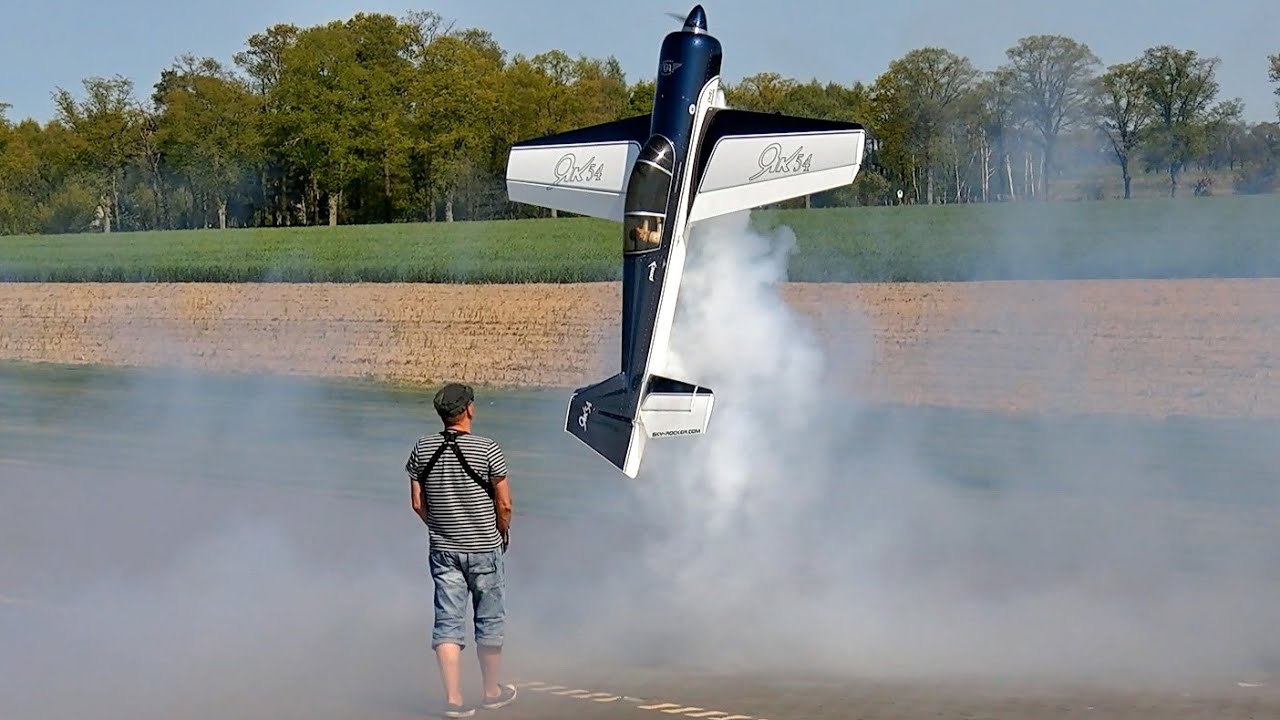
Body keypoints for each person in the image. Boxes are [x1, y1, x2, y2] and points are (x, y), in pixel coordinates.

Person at [405, 382, 516, 718]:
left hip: (443, 551)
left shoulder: (423, 448)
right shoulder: (488, 449)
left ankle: (454, 700)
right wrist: (502, 530)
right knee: (489, 619)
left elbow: (417, 502)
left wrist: (441, 527)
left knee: (448, 622)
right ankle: (491, 691)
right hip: (484, 549)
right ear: (468, 409)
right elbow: (505, 503)